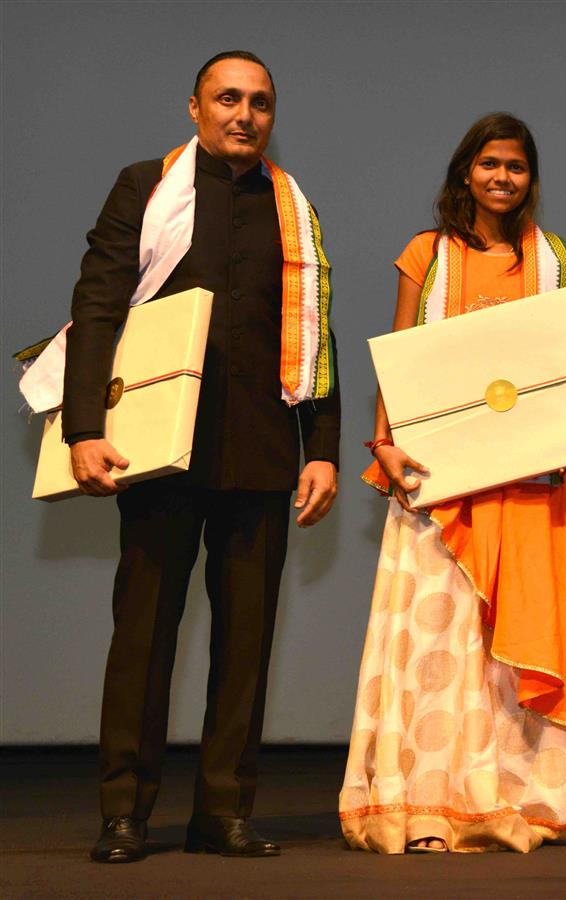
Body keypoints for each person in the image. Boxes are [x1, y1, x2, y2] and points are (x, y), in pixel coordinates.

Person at [46, 51, 342, 863]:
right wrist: (81, 428)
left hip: (260, 454)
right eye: (228, 99)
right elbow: (99, 301)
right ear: (195, 107)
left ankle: (224, 813)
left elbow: (317, 335)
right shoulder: (147, 186)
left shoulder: (294, 210)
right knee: (142, 639)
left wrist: (321, 450)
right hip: (157, 448)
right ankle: (124, 814)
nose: (244, 114)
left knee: (245, 647)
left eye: (260, 103)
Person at [338, 112, 566, 855]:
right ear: (466, 172)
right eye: (489, 164)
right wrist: (384, 444)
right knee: (444, 642)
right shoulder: (427, 254)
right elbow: (401, 354)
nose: (502, 177)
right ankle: (429, 804)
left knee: (513, 645)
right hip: (441, 483)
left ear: (530, 179)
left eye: (516, 167)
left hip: (529, 488)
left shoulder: (554, 258)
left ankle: (520, 800)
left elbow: (565, 374)